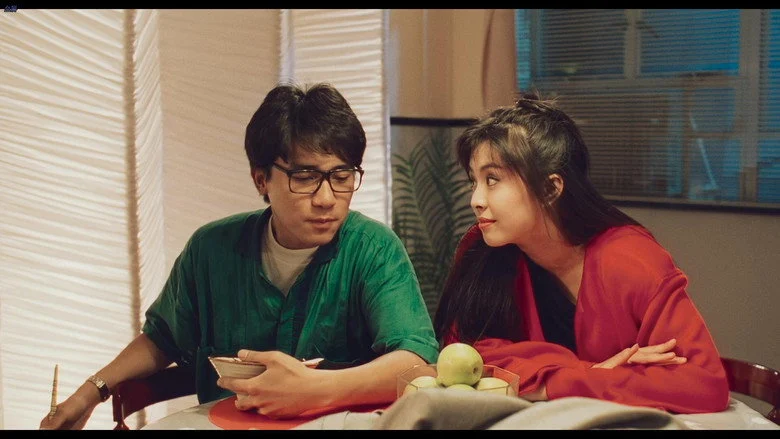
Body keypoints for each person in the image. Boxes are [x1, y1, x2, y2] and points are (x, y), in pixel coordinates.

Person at [40, 82, 439, 429]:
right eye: (304, 178)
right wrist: (90, 392)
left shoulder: (372, 248)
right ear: (261, 179)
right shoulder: (212, 249)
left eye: (342, 176)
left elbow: (416, 362)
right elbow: (162, 340)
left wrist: (316, 389)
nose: (326, 198)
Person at [432, 91, 730, 414]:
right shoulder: (481, 250)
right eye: (473, 181)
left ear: (550, 188)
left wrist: (551, 382)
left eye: (492, 179)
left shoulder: (631, 259)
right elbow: (461, 357)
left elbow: (704, 384)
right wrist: (590, 372)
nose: (475, 200)